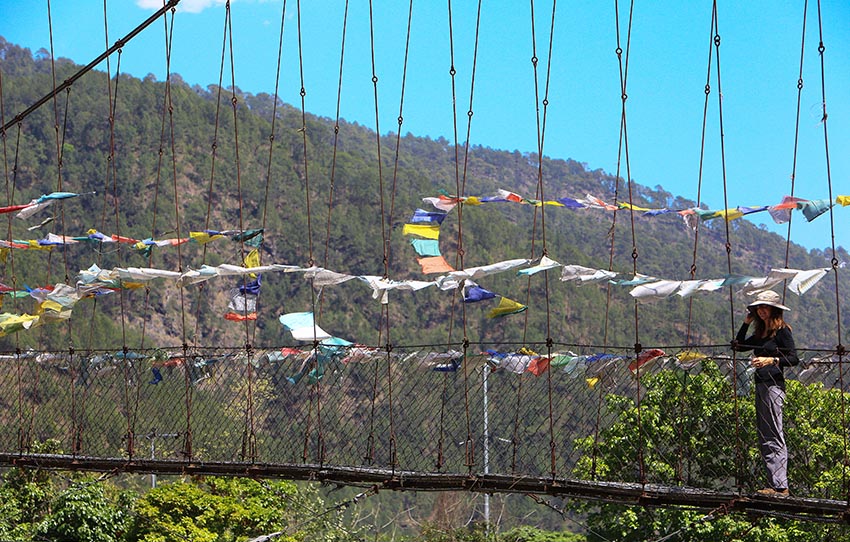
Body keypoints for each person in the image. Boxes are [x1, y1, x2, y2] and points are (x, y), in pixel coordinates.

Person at [733, 289, 799, 496]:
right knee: (765, 433)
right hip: (761, 384)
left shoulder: (782, 331)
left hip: (774, 386)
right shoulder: (761, 335)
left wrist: (771, 360)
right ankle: (775, 483)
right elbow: (738, 345)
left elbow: (794, 358)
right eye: (758, 307)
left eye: (765, 307)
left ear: (773, 310)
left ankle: (780, 485)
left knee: (774, 433)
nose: (761, 311)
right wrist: (746, 322)